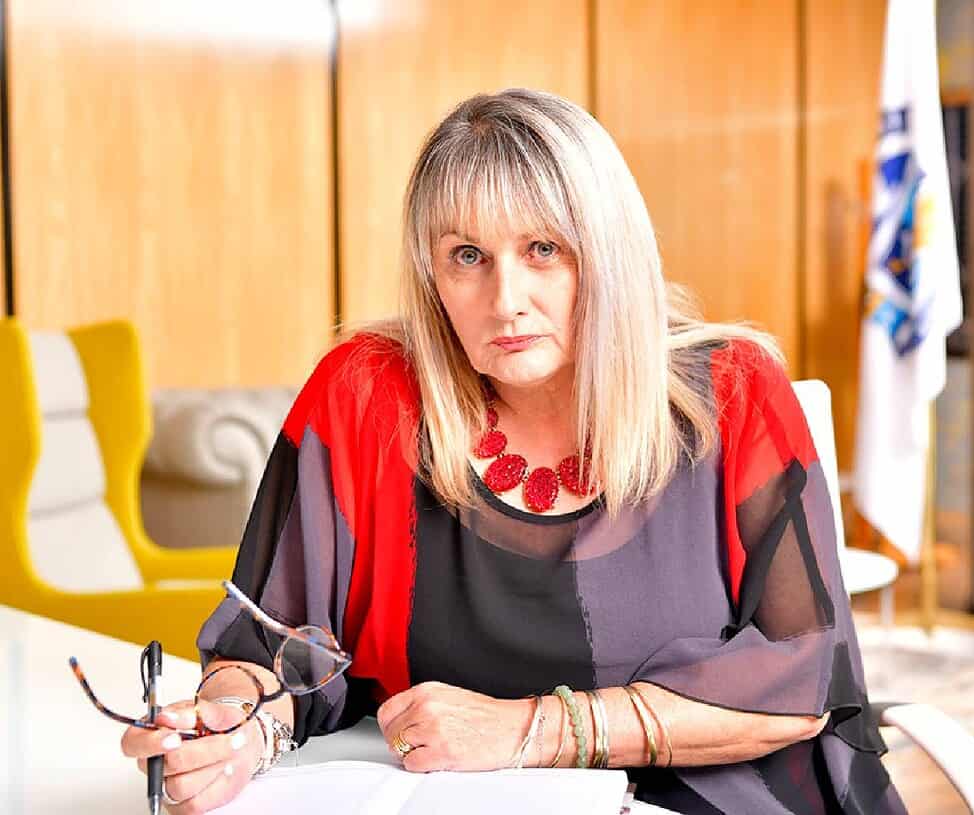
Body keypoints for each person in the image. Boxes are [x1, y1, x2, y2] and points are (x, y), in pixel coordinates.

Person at [120, 87, 906, 814]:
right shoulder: (363, 395)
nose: (505, 301)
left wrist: (531, 729)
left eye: (542, 249)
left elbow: (801, 679)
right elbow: (276, 640)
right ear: (431, 273)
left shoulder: (733, 391)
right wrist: (233, 724)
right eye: (467, 256)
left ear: (607, 253)